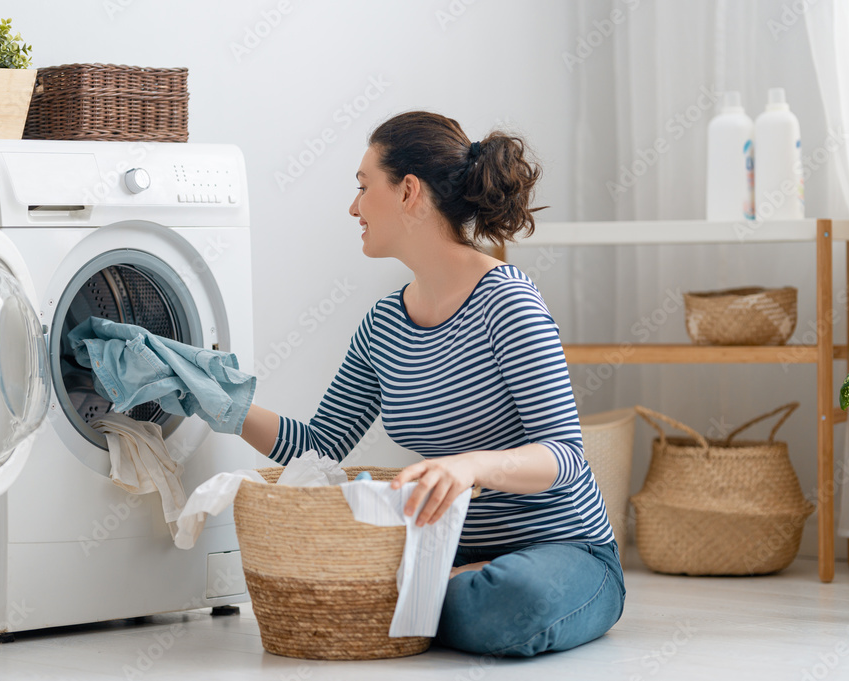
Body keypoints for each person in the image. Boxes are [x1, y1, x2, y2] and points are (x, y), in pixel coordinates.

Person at [238, 111, 625, 657]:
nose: (353, 207)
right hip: (448, 553)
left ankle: (423, 600)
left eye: (363, 186)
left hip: (562, 549)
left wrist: (471, 465)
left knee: (506, 599)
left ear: (408, 191)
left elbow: (564, 456)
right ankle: (436, 593)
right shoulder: (383, 324)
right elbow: (319, 449)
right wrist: (228, 408)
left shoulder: (507, 302)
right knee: (446, 596)